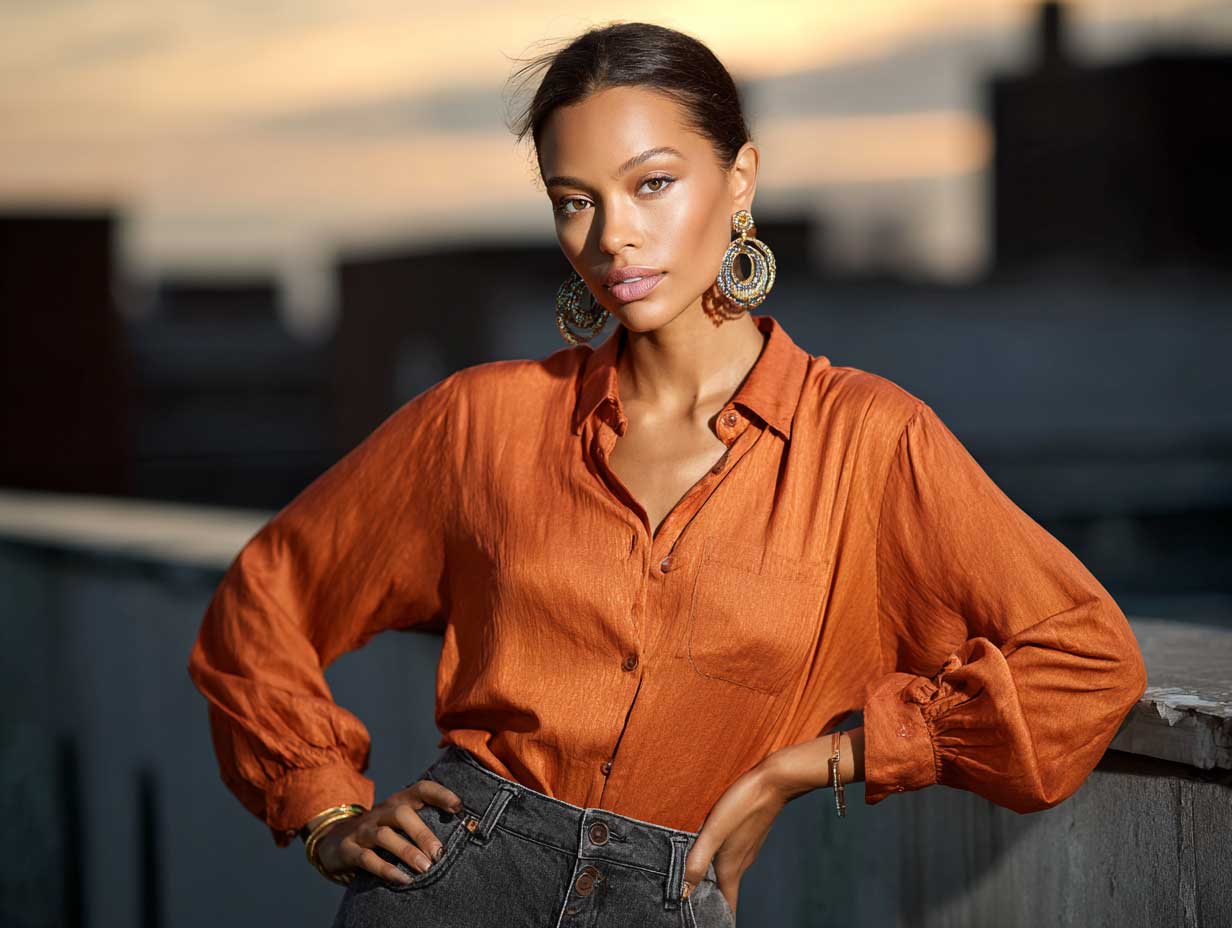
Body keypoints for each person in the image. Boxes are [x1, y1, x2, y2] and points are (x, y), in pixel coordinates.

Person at [186, 20, 1149, 927]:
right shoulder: (482, 421)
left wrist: (817, 763)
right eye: (576, 200)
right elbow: (266, 596)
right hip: (452, 881)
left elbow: (1088, 663)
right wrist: (322, 811)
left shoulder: (866, 440)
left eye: (652, 184)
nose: (612, 238)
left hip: (675, 890)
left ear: (741, 182)